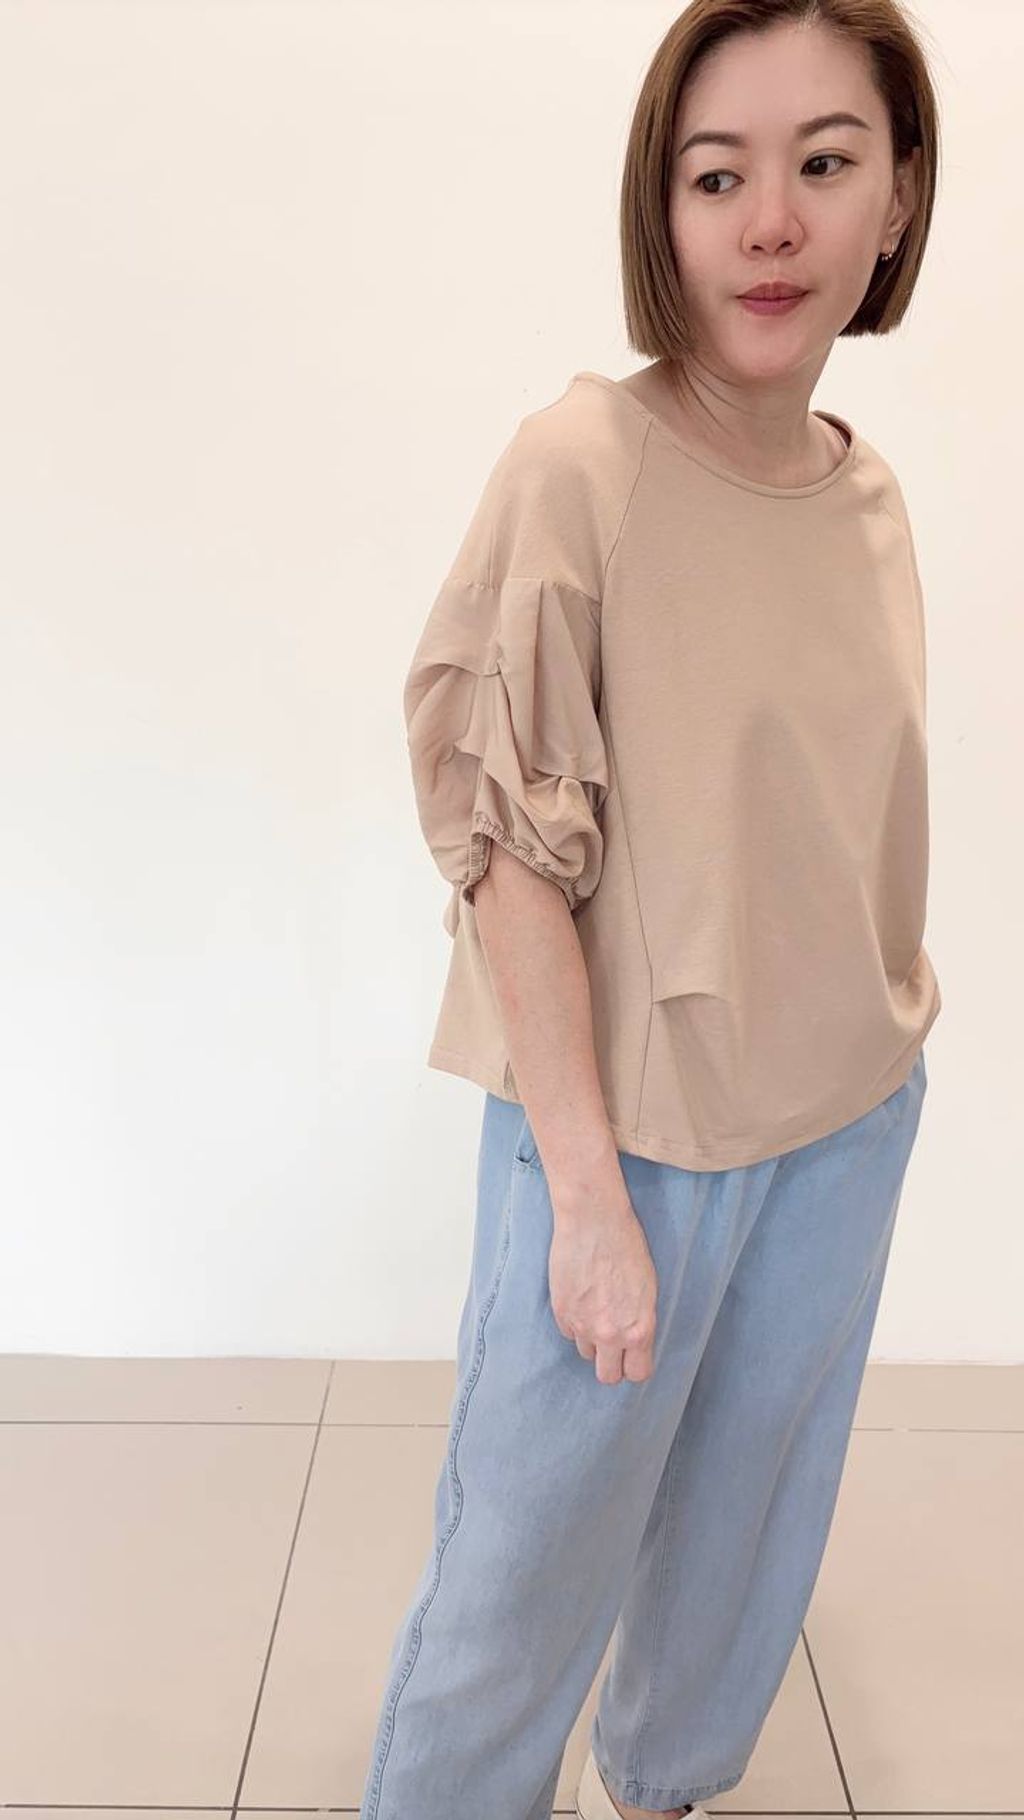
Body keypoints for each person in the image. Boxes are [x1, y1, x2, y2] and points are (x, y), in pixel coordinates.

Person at [361, 2, 943, 1817]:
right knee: (521, 1583)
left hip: (843, 1116)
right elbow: (505, 846)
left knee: (740, 1564)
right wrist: (589, 1199)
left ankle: (665, 1793)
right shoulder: (585, 466)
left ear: (898, 199)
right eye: (717, 175)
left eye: (825, 163)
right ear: (661, 209)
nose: (772, 222)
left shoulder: (867, 494)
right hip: (631, 1139)